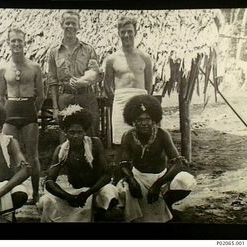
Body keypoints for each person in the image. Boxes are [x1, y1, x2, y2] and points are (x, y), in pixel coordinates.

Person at [116, 95, 196, 222]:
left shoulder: (162, 134)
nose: (143, 123)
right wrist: (131, 180)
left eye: (147, 119)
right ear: (133, 121)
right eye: (139, 119)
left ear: (154, 119)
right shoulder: (128, 136)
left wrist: (158, 184)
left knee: (185, 181)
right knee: (122, 190)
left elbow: (178, 163)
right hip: (139, 179)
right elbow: (123, 163)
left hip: (161, 178)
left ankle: (167, 204)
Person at [38, 105, 119, 222]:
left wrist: (88, 193)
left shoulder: (95, 144)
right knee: (46, 201)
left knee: (109, 193)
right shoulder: (61, 150)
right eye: (72, 132)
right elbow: (50, 181)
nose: (76, 136)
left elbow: (107, 175)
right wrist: (68, 197)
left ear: (84, 131)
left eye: (79, 132)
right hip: (75, 193)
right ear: (65, 132)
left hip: (96, 189)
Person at [103, 16, 153, 181]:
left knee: (142, 140)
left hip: (140, 100)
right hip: (121, 101)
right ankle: (117, 182)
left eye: (129, 32)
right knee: (120, 143)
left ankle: (140, 179)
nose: (126, 35)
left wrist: (144, 103)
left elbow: (149, 85)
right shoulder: (112, 59)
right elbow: (107, 85)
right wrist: (117, 100)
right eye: (123, 32)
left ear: (135, 32)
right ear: (118, 33)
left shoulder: (145, 57)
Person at [0, 28, 44, 204]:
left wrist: (34, 111)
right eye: (13, 41)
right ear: (8, 43)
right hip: (10, 111)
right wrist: (6, 111)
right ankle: (12, 191)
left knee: (32, 155)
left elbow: (41, 95)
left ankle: (36, 194)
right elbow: (0, 95)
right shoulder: (3, 68)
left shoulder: (34, 67)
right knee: (9, 154)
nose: (17, 44)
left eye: (20, 41)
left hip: (28, 110)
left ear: (25, 43)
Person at [48, 10, 101, 138]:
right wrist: (55, 108)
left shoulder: (88, 49)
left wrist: (83, 81)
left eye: (73, 23)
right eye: (67, 23)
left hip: (86, 96)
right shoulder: (54, 52)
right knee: (66, 138)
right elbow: (53, 81)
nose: (70, 26)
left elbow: (95, 73)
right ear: (62, 25)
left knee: (91, 135)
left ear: (79, 27)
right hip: (65, 98)